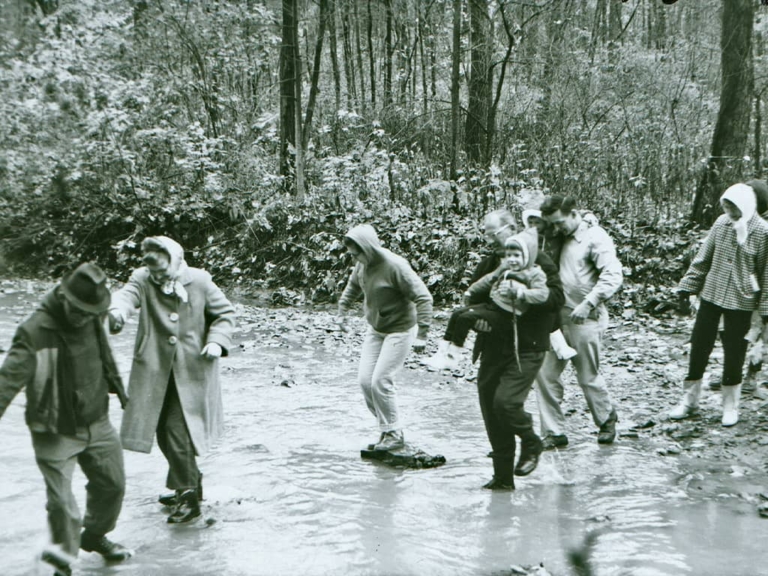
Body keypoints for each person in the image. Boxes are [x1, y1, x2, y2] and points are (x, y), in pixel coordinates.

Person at [0, 263, 132, 576]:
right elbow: (7, 381)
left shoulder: (91, 315)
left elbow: (104, 355)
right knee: (63, 506)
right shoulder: (35, 331)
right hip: (55, 429)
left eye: (92, 312)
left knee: (112, 486)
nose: (87, 318)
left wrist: (121, 392)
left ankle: (95, 535)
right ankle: (62, 561)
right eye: (81, 311)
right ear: (63, 297)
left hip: (97, 420)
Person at [108, 237, 236, 523]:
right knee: (162, 431)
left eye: (164, 272)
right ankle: (189, 477)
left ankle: (188, 494)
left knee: (178, 429)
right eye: (154, 273)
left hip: (192, 369)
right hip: (154, 369)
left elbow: (224, 314)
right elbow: (127, 295)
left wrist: (216, 341)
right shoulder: (142, 278)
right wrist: (116, 311)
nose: (158, 278)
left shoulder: (200, 281)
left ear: (177, 262)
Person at [467, 209, 565, 490]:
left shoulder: (538, 259)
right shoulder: (490, 262)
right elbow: (473, 299)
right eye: (485, 233)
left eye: (492, 232)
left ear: (511, 228)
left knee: (505, 403)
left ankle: (531, 441)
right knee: (490, 407)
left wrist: (523, 296)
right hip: (492, 344)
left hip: (527, 345)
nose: (488, 238)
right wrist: (477, 323)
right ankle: (502, 478)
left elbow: (557, 299)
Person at [670, 183, 768, 426]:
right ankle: (689, 401)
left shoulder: (763, 232)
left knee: (734, 353)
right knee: (699, 348)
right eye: (726, 206)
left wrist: (764, 311)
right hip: (712, 297)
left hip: (741, 302)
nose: (729, 212)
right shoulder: (720, 224)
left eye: (733, 208)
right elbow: (703, 258)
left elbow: (767, 275)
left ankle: (730, 406)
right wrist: (688, 286)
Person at [535, 195, 623, 450]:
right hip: (553, 318)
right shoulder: (555, 234)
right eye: (553, 223)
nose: (557, 228)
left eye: (561, 222)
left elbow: (613, 274)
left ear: (575, 214)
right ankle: (553, 432)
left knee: (587, 375)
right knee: (545, 373)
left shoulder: (595, 237)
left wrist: (589, 302)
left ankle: (606, 418)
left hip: (584, 316)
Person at [337, 224, 433, 452]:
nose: (354, 258)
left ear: (368, 248)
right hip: (376, 328)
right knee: (365, 382)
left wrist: (423, 335)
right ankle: (387, 430)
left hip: (400, 328)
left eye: (356, 253)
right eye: (351, 255)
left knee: (381, 380)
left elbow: (424, 298)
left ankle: (394, 434)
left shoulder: (395, 266)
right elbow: (352, 287)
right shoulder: (361, 264)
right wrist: (342, 312)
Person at [423, 228, 551, 370]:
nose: (512, 260)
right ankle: (441, 353)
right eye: (509, 256)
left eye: (516, 255)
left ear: (528, 256)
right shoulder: (506, 267)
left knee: (465, 318)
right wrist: (470, 291)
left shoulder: (534, 274)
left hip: (508, 315)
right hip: (494, 306)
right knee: (457, 314)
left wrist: (520, 293)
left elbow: (542, 294)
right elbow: (489, 279)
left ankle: (453, 356)